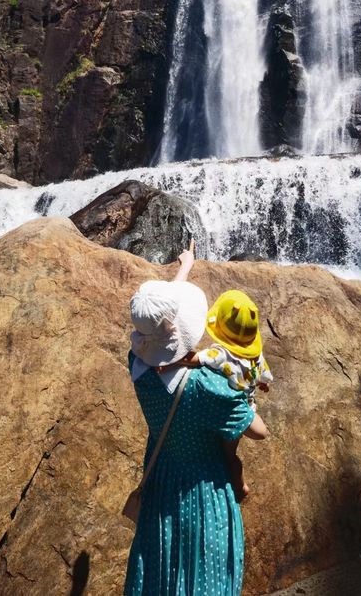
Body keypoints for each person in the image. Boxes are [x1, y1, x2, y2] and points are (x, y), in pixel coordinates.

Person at [124, 243, 268, 596]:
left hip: (162, 481)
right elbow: (258, 431)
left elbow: (159, 327)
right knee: (203, 576)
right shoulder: (207, 387)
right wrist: (250, 401)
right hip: (203, 495)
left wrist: (183, 269)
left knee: (163, 570)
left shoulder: (137, 365)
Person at [162, 289, 273, 501]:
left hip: (228, 411)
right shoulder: (256, 355)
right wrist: (262, 385)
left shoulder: (221, 354)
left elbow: (193, 360)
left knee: (227, 456)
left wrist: (169, 360)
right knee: (231, 451)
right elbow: (264, 376)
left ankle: (240, 487)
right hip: (248, 406)